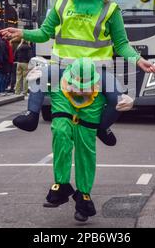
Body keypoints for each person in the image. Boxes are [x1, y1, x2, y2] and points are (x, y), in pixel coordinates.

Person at [0, 0, 155, 146]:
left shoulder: (111, 9)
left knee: (119, 100)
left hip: (97, 71)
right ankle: (31, 116)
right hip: (62, 67)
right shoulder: (62, 2)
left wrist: (139, 60)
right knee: (38, 76)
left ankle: (102, 127)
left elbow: (122, 44)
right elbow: (44, 33)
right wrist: (21, 32)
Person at [42, 58, 133, 222]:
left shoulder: (103, 81)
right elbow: (41, 83)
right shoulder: (60, 79)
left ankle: (83, 198)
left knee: (86, 156)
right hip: (65, 107)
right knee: (61, 134)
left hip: (89, 118)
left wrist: (123, 103)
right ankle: (61, 185)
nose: (81, 91)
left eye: (85, 87)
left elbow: (116, 101)